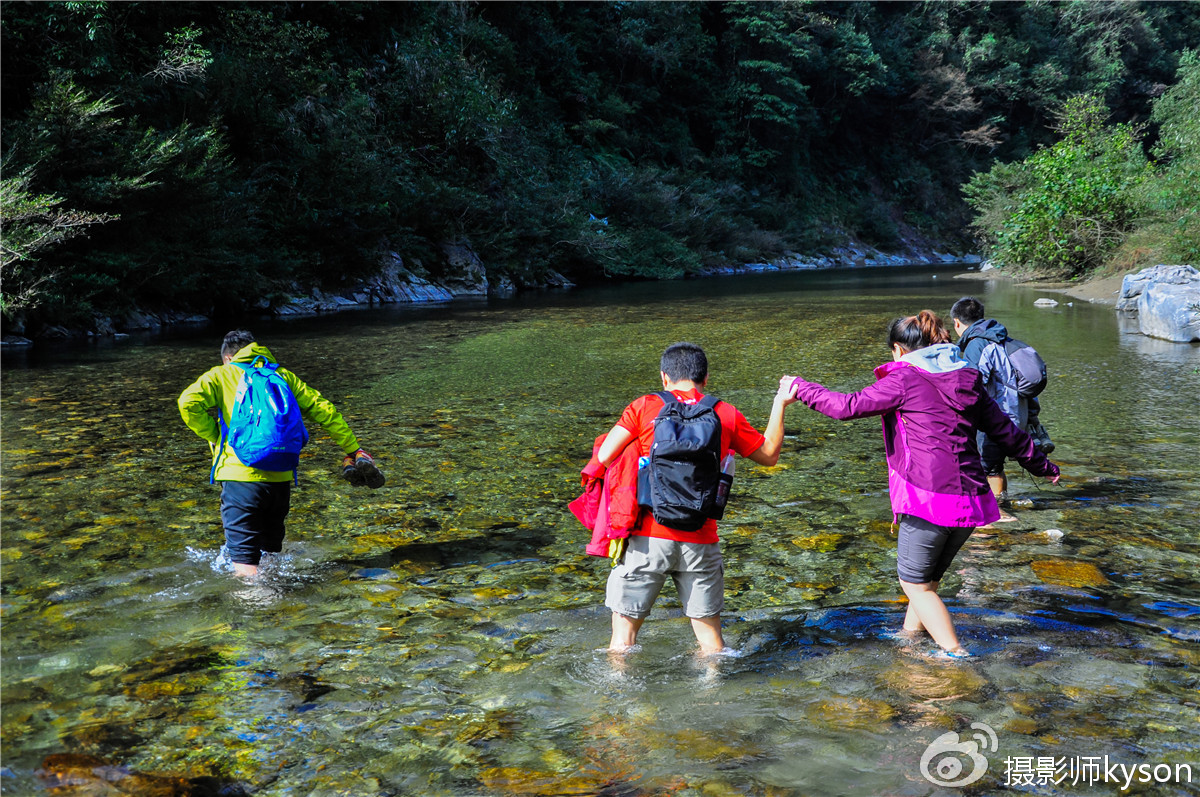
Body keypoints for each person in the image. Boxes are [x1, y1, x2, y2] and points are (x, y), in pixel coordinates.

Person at [784, 311, 1059, 656]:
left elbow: (847, 407)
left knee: (913, 584)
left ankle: (954, 655)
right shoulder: (968, 378)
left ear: (899, 350)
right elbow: (1006, 431)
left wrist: (801, 387)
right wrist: (1042, 466)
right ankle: (909, 638)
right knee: (927, 581)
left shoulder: (905, 380)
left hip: (930, 500)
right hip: (972, 500)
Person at [595, 342, 798, 655]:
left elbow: (606, 456)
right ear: (706, 378)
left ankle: (620, 699)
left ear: (665, 377)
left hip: (647, 539)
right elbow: (769, 455)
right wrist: (779, 404)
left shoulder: (644, 406)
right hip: (701, 540)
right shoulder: (724, 412)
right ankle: (713, 698)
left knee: (622, 641)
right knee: (711, 644)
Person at [178, 330, 384, 577]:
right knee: (271, 560)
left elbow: (187, 402)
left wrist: (215, 435)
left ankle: (265, 609)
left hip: (240, 481)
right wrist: (353, 449)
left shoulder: (222, 374)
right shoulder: (283, 375)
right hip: (281, 480)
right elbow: (325, 410)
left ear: (227, 358)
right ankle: (284, 611)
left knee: (245, 571)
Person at [950, 297, 1053, 513]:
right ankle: (1002, 505)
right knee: (994, 465)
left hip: (996, 416)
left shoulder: (976, 344)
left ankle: (995, 511)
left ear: (957, 323)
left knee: (989, 467)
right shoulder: (999, 337)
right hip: (1016, 412)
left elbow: (974, 384)